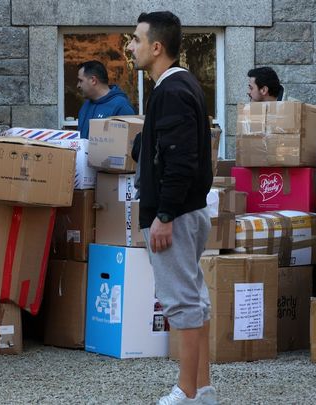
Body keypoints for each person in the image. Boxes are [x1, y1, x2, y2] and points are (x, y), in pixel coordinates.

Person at [127, 11, 215, 405]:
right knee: (194, 299)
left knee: (182, 302)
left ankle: (187, 391)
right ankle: (204, 390)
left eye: (135, 39)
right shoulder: (179, 87)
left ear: (156, 47)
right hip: (185, 210)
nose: (130, 47)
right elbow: (166, 148)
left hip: (174, 215)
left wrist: (163, 215)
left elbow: (180, 159)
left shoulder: (172, 90)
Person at [76, 60, 135, 138]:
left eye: (81, 80)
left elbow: (129, 145)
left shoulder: (121, 106)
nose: (78, 85)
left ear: (93, 80)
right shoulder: (86, 104)